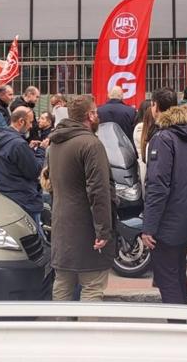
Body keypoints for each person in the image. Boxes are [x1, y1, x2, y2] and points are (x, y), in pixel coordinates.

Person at [47, 94, 116, 302]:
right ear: (91, 115)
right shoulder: (91, 144)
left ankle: (60, 331)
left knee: (63, 283)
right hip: (86, 226)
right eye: (96, 112)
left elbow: (51, 183)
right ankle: (88, 333)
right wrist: (104, 230)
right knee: (92, 284)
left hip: (61, 223)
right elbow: (99, 190)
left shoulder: (56, 142)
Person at [141, 103, 187, 304]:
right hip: (186, 214)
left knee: (167, 279)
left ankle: (177, 326)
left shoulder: (163, 138)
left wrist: (149, 227)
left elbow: (158, 185)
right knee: (177, 274)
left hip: (167, 219)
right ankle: (182, 321)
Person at [0, 106, 47, 237]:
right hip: (25, 198)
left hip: (6, 195)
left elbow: (10, 163)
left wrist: (28, 151)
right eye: (30, 122)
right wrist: (41, 150)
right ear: (21, 121)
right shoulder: (18, 144)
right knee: (34, 237)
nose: (31, 126)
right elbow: (35, 171)